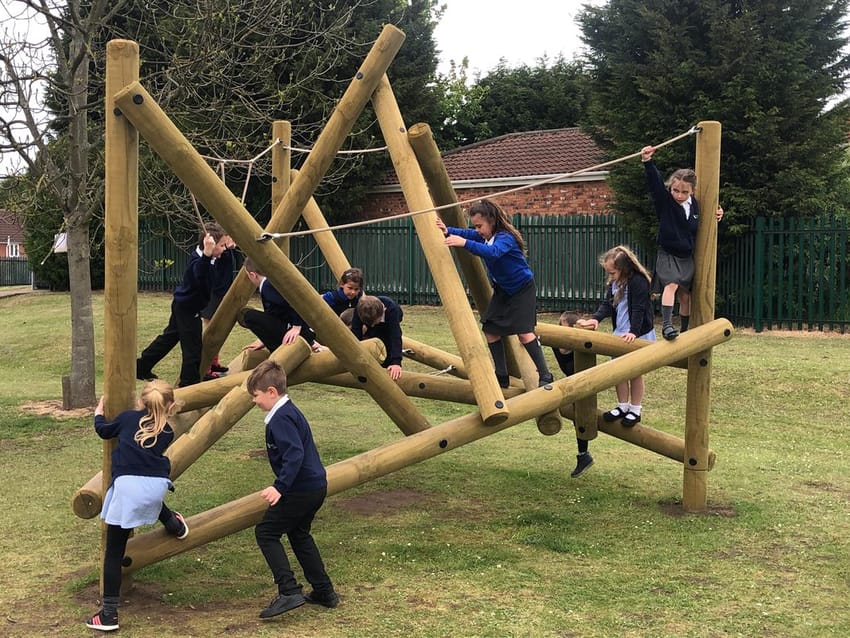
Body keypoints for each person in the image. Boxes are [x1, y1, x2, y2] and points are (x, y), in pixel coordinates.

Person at [85, 381, 189, 632]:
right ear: (171, 406)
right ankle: (174, 525)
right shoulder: (166, 431)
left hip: (127, 486)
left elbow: (104, 430)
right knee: (148, 496)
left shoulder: (127, 418)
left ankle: (108, 614)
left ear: (140, 402)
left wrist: (99, 413)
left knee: (114, 551)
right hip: (157, 486)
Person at [246, 360, 338, 619]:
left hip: (300, 488)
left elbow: (295, 454)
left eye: (256, 396)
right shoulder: (287, 412)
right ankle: (324, 591)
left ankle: (289, 590)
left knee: (266, 532)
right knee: (299, 534)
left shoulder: (281, 419)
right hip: (315, 485)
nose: (254, 401)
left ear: (272, 392)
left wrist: (280, 487)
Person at [437, 199, 554, 388]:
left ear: (491, 221)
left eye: (479, 225)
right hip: (503, 290)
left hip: (522, 289)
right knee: (490, 329)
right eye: (475, 226)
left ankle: (545, 374)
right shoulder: (484, 235)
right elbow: (469, 234)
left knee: (524, 334)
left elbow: (493, 253)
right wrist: (448, 230)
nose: (477, 230)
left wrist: (464, 243)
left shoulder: (505, 237)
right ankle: (501, 374)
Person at [641, 145, 724, 340]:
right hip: (668, 253)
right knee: (671, 285)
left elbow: (710, 212)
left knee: (685, 294)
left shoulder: (695, 205)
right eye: (675, 190)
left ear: (692, 191)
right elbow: (655, 183)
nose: (678, 195)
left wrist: (718, 213)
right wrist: (648, 162)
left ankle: (685, 330)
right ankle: (668, 326)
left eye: (684, 192)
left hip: (686, 256)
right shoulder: (666, 202)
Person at [136, 222, 230, 387]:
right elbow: (200, 274)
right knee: (193, 350)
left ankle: (141, 366)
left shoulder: (211, 259)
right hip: (188, 308)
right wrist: (207, 255)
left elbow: (222, 277)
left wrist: (225, 250)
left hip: (184, 305)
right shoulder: (198, 260)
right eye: (222, 245)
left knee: (168, 338)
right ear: (210, 245)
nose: (224, 249)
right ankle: (188, 384)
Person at [576, 245, 655, 427]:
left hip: (638, 333)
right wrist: (596, 319)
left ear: (624, 268)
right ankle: (622, 405)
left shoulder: (639, 282)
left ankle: (635, 409)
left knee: (635, 372)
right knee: (619, 370)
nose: (610, 276)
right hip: (620, 332)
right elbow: (608, 304)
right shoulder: (615, 283)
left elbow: (639, 309)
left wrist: (634, 332)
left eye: (612, 272)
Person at [237, 257, 318, 352]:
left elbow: (295, 300)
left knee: (248, 315)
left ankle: (276, 349)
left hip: (295, 328)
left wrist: (297, 326)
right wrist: (263, 341)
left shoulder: (268, 286)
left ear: (253, 275)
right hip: (290, 325)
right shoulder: (269, 284)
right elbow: (273, 314)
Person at [551, 310, 594, 478]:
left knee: (582, 417)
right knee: (577, 417)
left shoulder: (581, 348)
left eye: (564, 327)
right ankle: (584, 455)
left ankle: (584, 455)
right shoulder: (555, 343)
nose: (560, 331)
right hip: (572, 385)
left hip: (586, 385)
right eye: (559, 327)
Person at [200, 234, 237, 379]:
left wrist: (229, 249)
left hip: (221, 292)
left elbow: (228, 269)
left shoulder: (225, 252)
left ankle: (213, 363)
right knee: (210, 330)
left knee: (218, 330)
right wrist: (226, 249)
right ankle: (206, 367)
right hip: (211, 293)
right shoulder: (211, 254)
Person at [350, 294, 404, 380]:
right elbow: (355, 333)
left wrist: (396, 363)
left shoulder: (392, 309)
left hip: (388, 325)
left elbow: (395, 336)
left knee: (387, 347)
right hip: (373, 322)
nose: (372, 325)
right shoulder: (359, 309)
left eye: (375, 323)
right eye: (370, 324)